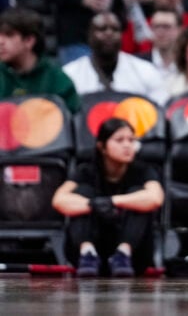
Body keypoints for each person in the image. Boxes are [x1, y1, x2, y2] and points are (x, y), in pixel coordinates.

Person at [51, 118, 164, 277]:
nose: (127, 145)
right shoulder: (86, 171)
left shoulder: (143, 170)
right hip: (90, 254)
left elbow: (155, 198)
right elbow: (59, 200)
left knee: (139, 194)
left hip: (132, 257)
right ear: (102, 147)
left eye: (131, 140)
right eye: (119, 140)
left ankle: (123, 254)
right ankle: (88, 253)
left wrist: (113, 201)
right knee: (82, 192)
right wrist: (92, 204)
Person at [63, 11, 167, 105]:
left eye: (115, 29)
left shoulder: (145, 71)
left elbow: (160, 109)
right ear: (89, 36)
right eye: (102, 29)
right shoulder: (71, 74)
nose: (109, 33)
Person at [0, 7, 80, 112]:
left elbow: (74, 120)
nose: (1, 41)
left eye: (9, 35)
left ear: (29, 41)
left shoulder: (56, 78)